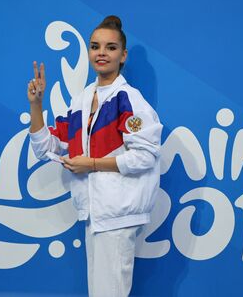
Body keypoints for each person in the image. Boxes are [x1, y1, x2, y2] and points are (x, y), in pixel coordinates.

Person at [27, 15, 162, 297]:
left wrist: (91, 164)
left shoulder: (129, 99)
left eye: (110, 47)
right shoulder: (81, 101)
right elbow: (45, 148)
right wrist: (36, 105)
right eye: (95, 46)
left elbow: (145, 157)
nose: (101, 53)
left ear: (122, 55)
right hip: (94, 213)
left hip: (118, 213)